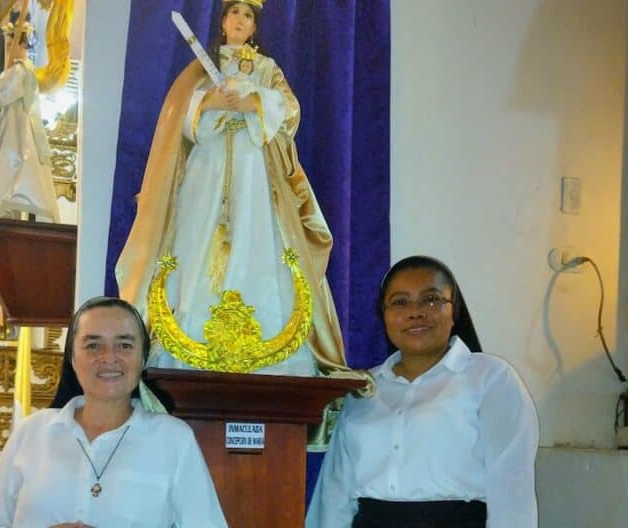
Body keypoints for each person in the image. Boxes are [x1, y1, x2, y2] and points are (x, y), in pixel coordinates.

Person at [116, 0, 352, 378]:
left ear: (255, 27)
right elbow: (178, 114)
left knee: (256, 235)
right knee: (195, 238)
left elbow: (289, 110)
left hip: (253, 169)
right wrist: (207, 101)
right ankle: (191, 333)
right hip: (207, 167)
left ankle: (262, 334)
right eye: (233, 13)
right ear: (223, 22)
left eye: (247, 15)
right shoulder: (199, 70)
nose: (240, 20)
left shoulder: (266, 69)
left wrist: (253, 102)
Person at [306, 256, 539, 528]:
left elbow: (511, 489)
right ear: (384, 315)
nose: (415, 312)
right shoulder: (365, 389)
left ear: (454, 311)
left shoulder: (490, 378)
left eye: (431, 299)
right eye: (400, 302)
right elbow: (335, 495)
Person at [0, 296, 228, 527]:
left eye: (124, 345)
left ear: (143, 358)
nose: (109, 357)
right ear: (72, 358)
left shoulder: (173, 439)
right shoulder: (31, 433)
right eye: (93, 345)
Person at [0, 17, 60, 223]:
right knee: (12, 166)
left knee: (17, 162)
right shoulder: (21, 68)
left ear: (21, 44)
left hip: (19, 123)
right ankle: (13, 212)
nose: (8, 49)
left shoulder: (21, 68)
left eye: (11, 44)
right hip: (14, 119)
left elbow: (5, 87)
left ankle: (20, 210)